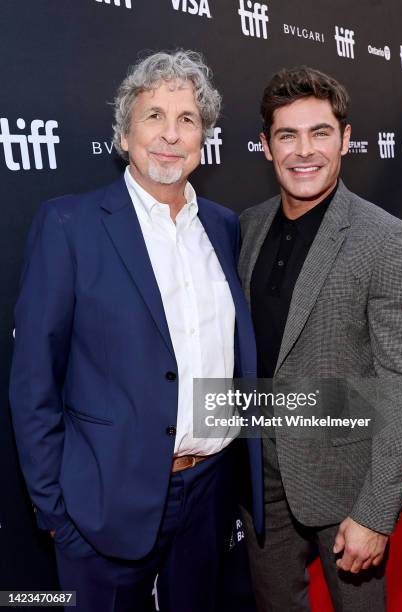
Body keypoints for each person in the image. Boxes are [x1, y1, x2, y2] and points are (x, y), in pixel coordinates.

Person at [9, 49, 262, 612]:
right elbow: (34, 383)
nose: (170, 135)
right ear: (124, 135)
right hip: (103, 504)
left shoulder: (223, 227)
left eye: (187, 119)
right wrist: (55, 511)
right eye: (154, 116)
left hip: (209, 493)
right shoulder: (69, 224)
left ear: (205, 139)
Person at [238, 65, 402, 611]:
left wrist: (376, 512)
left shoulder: (386, 241)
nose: (305, 151)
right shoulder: (247, 226)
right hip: (261, 483)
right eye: (287, 135)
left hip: (349, 482)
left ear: (345, 139)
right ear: (265, 145)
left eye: (320, 132)